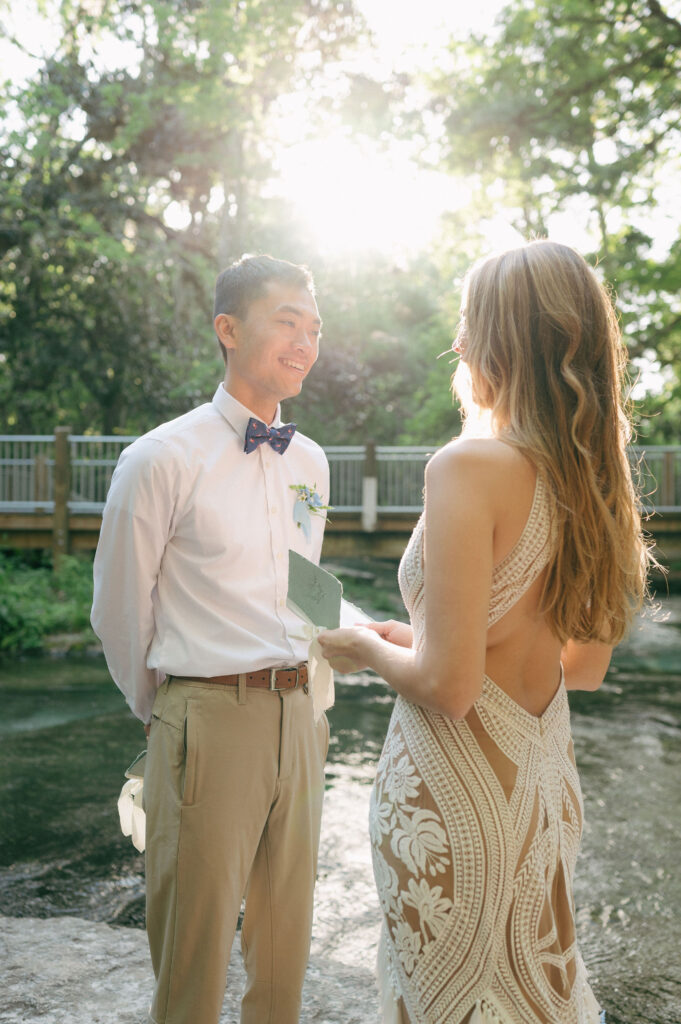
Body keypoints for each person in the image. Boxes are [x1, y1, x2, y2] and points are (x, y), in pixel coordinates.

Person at [318, 240, 653, 1024]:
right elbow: (579, 667)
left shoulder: (467, 467)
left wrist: (364, 648)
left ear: (504, 338)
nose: (458, 342)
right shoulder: (595, 479)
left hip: (450, 804)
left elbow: (450, 686)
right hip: (540, 796)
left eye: (470, 322)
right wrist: (418, 636)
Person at [91, 254, 331, 1024]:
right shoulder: (161, 458)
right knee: (193, 952)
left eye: (315, 328)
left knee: (284, 942)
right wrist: (174, 714)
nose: (304, 342)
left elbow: (304, 588)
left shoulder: (311, 462)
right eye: (287, 321)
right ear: (228, 329)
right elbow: (119, 610)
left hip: (301, 718)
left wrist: (358, 636)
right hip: (206, 717)